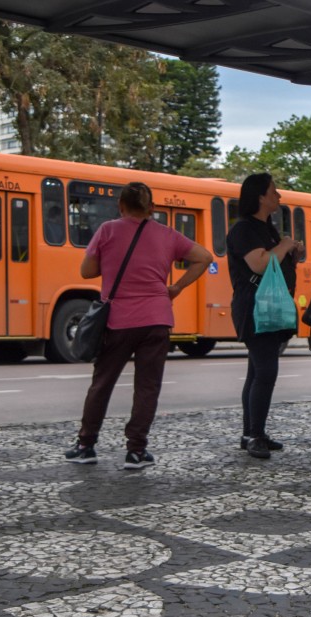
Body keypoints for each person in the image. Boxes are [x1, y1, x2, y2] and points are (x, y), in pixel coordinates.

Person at [65, 182, 213, 468]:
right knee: (147, 387)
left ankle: (86, 445)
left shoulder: (108, 230)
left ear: (120, 206)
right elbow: (204, 258)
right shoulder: (167, 235)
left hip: (118, 321)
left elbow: (86, 271)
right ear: (151, 208)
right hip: (157, 320)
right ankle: (136, 451)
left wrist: (109, 262)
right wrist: (177, 287)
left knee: (102, 383)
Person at [227, 173, 302, 460]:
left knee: (257, 371)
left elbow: (275, 262)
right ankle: (255, 434)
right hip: (256, 309)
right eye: (274, 192)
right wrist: (284, 244)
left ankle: (252, 432)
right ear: (260, 196)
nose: (279, 197)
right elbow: (259, 264)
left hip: (269, 307)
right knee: (266, 371)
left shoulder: (266, 228)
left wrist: (291, 253)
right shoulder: (243, 229)